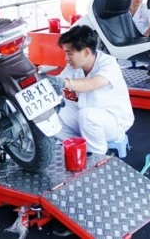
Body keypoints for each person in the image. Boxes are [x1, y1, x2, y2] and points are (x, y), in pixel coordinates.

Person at [48, 25, 134, 155]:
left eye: (69, 53)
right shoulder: (75, 65)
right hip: (86, 113)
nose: (66, 58)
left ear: (86, 52)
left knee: (87, 115)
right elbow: (59, 82)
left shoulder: (109, 63)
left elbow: (92, 83)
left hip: (114, 122)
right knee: (50, 111)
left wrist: (65, 83)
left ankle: (97, 154)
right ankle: (77, 145)